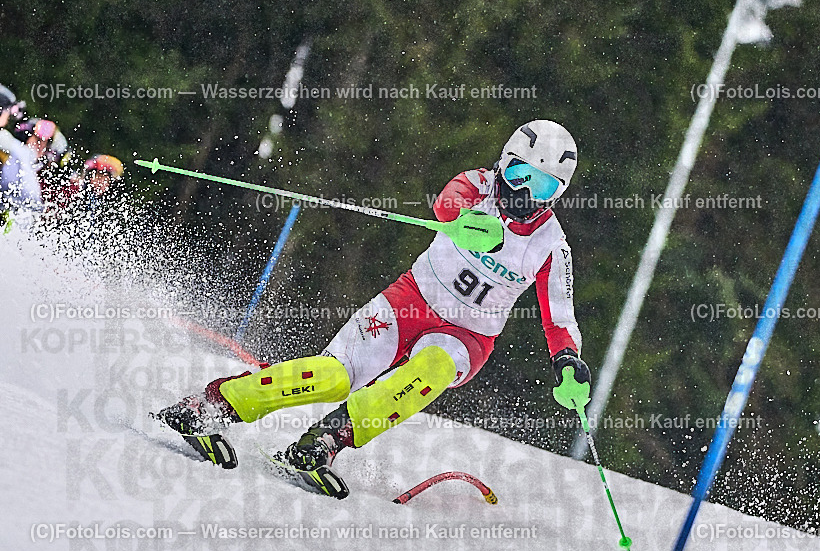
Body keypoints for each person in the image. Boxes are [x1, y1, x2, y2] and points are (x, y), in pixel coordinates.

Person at [155, 120, 591, 496]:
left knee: (434, 369)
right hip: (412, 301)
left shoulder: (551, 245)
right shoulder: (479, 185)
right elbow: (447, 202)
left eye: (543, 185)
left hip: (467, 336)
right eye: (519, 172)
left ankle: (327, 439)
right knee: (334, 375)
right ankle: (213, 405)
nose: (524, 191)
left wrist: (568, 359)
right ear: (503, 161)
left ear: (558, 194)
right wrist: (463, 222)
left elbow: (560, 315)